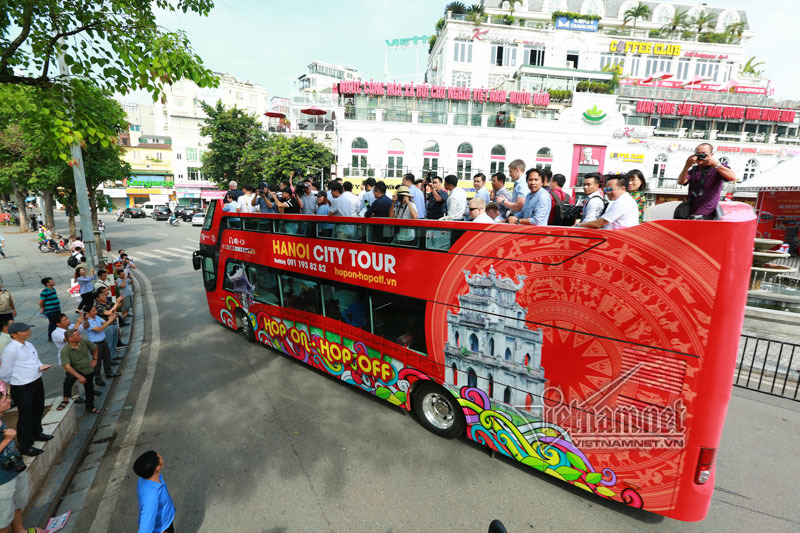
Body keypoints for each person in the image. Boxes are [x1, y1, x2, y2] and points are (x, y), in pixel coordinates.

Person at [0, 323, 53, 456]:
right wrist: (15, 381)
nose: (28, 332)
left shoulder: (29, 345)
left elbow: (36, 360)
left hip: (36, 381)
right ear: (14, 334)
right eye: (24, 331)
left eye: (28, 329)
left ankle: (37, 433)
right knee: (26, 416)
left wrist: (41, 366)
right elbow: (5, 372)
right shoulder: (10, 350)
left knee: (38, 409)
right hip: (22, 387)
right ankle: (25, 445)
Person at [0, 381, 45, 533]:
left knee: (17, 503)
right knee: (3, 518)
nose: (8, 400)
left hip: (15, 469)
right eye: (4, 399)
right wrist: (6, 440)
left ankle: (20, 531)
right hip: (2, 480)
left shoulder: (1, 419)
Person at [677, 143, 737, 219]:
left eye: (703, 154)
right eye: (698, 154)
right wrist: (687, 166)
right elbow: (681, 181)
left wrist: (715, 164)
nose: (700, 156)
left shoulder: (717, 167)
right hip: (690, 212)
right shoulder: (694, 170)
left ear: (711, 154)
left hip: (708, 214)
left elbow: (732, 177)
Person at [134, 450, 176, 533]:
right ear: (157, 468)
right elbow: (144, 529)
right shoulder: (152, 498)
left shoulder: (143, 479)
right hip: (163, 528)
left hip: (166, 520)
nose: (161, 457)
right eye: (159, 457)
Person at [60, 328, 100, 415]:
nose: (80, 336)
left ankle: (90, 407)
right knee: (68, 380)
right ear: (70, 338)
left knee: (89, 389)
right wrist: (79, 376)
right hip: (75, 369)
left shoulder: (84, 342)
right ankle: (65, 398)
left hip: (87, 368)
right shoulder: (65, 350)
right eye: (78, 335)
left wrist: (95, 359)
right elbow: (67, 366)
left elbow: (95, 347)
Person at [82, 305, 120, 387]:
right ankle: (98, 379)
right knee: (97, 362)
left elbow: (104, 323)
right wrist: (110, 321)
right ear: (88, 313)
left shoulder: (96, 317)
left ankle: (109, 372)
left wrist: (110, 319)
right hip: (95, 344)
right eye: (93, 311)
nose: (95, 312)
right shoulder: (87, 322)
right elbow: (99, 329)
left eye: (95, 310)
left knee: (107, 357)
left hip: (103, 341)